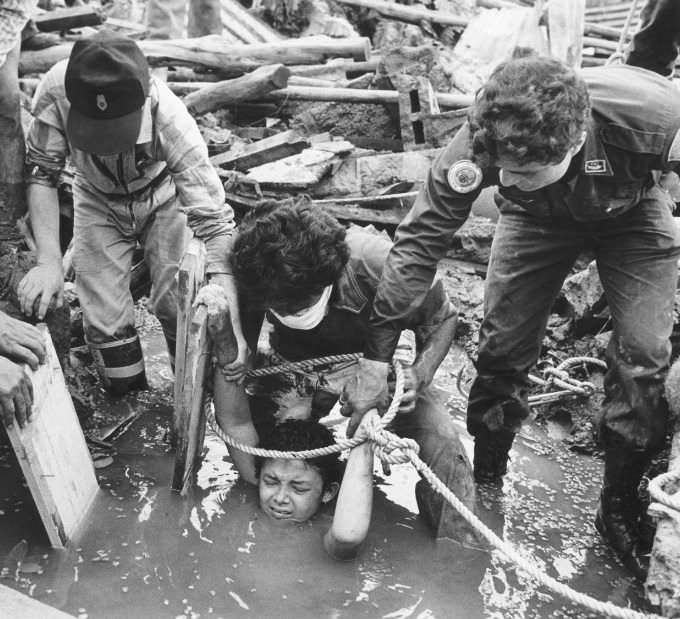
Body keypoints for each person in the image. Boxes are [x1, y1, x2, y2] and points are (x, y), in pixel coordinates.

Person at [340, 54, 680, 575]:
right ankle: (491, 474)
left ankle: (617, 505)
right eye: (505, 171)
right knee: (502, 347)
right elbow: (418, 246)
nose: (508, 183)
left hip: (631, 213)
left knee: (644, 356)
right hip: (535, 221)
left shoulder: (657, 119)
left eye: (523, 172)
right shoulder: (478, 146)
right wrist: (376, 357)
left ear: (572, 143)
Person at [211, 198, 477, 545]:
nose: (284, 311)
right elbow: (235, 418)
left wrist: (419, 374)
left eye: (296, 306)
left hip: (377, 360)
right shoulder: (252, 266)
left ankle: (458, 551)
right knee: (269, 455)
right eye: (276, 306)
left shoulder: (380, 263)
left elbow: (444, 318)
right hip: (295, 362)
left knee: (441, 440)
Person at [17, 30, 246, 394]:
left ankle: (188, 398)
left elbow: (216, 226)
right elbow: (42, 171)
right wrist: (48, 261)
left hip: (164, 195)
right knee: (103, 319)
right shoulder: (56, 92)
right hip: (95, 195)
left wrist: (231, 324)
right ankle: (130, 401)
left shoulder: (170, 118)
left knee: (178, 304)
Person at [255, 417, 374, 560]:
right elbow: (237, 425)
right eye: (271, 482)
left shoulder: (324, 532)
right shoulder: (242, 506)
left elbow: (347, 538)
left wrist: (366, 430)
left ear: (328, 492)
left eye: (299, 489)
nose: (280, 498)